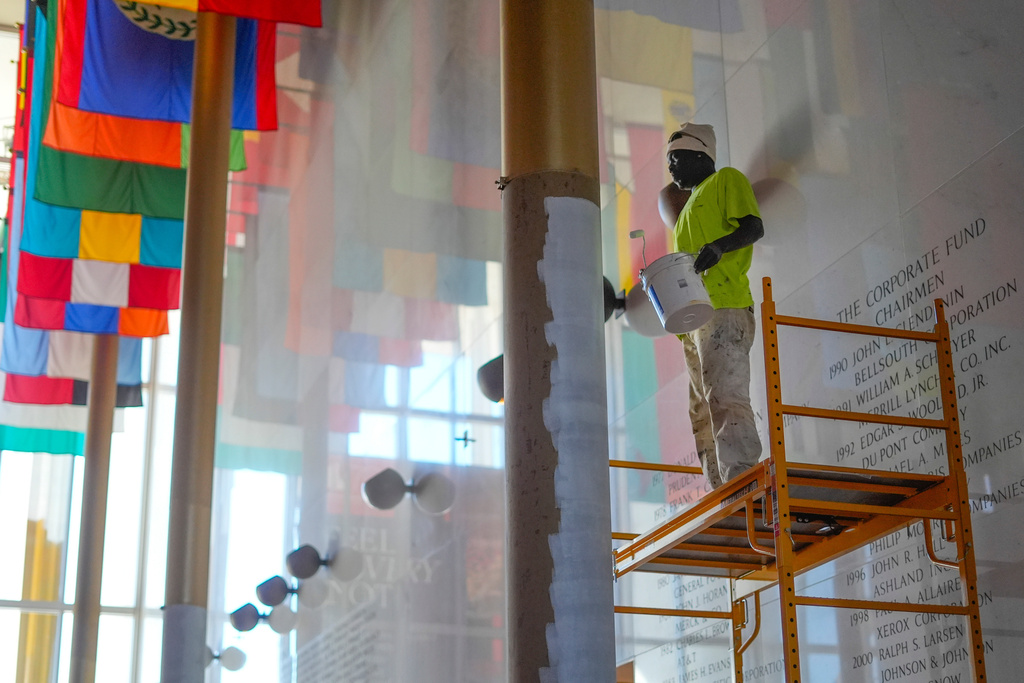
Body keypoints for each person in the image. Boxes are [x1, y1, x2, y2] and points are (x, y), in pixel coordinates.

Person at [658, 122, 764, 489]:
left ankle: (743, 479)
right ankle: (720, 489)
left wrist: (720, 247)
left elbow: (753, 227)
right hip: (696, 319)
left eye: (675, 158)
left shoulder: (726, 180)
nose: (670, 168)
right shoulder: (686, 210)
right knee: (701, 409)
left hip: (725, 306)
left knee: (724, 395)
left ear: (700, 154)